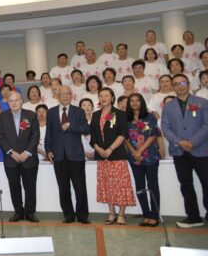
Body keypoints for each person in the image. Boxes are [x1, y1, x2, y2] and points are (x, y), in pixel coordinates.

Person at [161, 73, 208, 228]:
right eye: (176, 84)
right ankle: (193, 217)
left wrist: (193, 142)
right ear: (172, 87)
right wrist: (179, 142)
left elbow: (206, 125)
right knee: (186, 185)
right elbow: (165, 128)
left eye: (182, 83)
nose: (180, 86)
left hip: (201, 150)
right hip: (179, 151)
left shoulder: (202, 102)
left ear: (188, 84)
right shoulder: (168, 106)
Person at [45, 86, 91, 224]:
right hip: (58, 155)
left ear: (71, 95)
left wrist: (71, 126)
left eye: (67, 93)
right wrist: (48, 150)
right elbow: (49, 133)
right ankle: (68, 215)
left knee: (80, 187)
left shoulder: (79, 111)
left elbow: (86, 129)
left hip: (76, 155)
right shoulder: (51, 112)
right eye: (62, 94)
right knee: (63, 188)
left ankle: (82, 215)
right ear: (57, 96)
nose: (65, 96)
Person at [90, 88, 135, 226]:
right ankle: (111, 212)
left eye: (106, 95)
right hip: (102, 156)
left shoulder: (120, 114)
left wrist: (110, 149)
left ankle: (121, 213)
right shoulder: (96, 115)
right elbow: (93, 136)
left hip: (117, 155)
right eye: (101, 96)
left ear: (112, 98)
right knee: (107, 184)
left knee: (121, 184)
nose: (103, 98)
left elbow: (123, 134)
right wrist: (99, 149)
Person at [0, 91, 40, 222]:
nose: (14, 103)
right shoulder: (2, 116)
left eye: (16, 100)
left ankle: (30, 213)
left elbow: (35, 136)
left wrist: (27, 152)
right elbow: (1, 136)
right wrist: (11, 152)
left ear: (21, 101)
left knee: (30, 187)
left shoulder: (31, 115)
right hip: (11, 159)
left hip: (29, 158)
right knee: (14, 186)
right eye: (11, 101)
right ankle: (18, 212)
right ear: (8, 103)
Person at [125, 93, 162, 227]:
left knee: (153, 185)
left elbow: (153, 135)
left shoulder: (150, 117)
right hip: (134, 158)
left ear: (142, 102)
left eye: (137, 100)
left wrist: (140, 150)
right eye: (132, 101)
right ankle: (146, 214)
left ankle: (155, 216)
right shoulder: (126, 119)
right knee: (140, 186)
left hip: (150, 156)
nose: (135, 103)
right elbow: (125, 137)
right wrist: (134, 152)